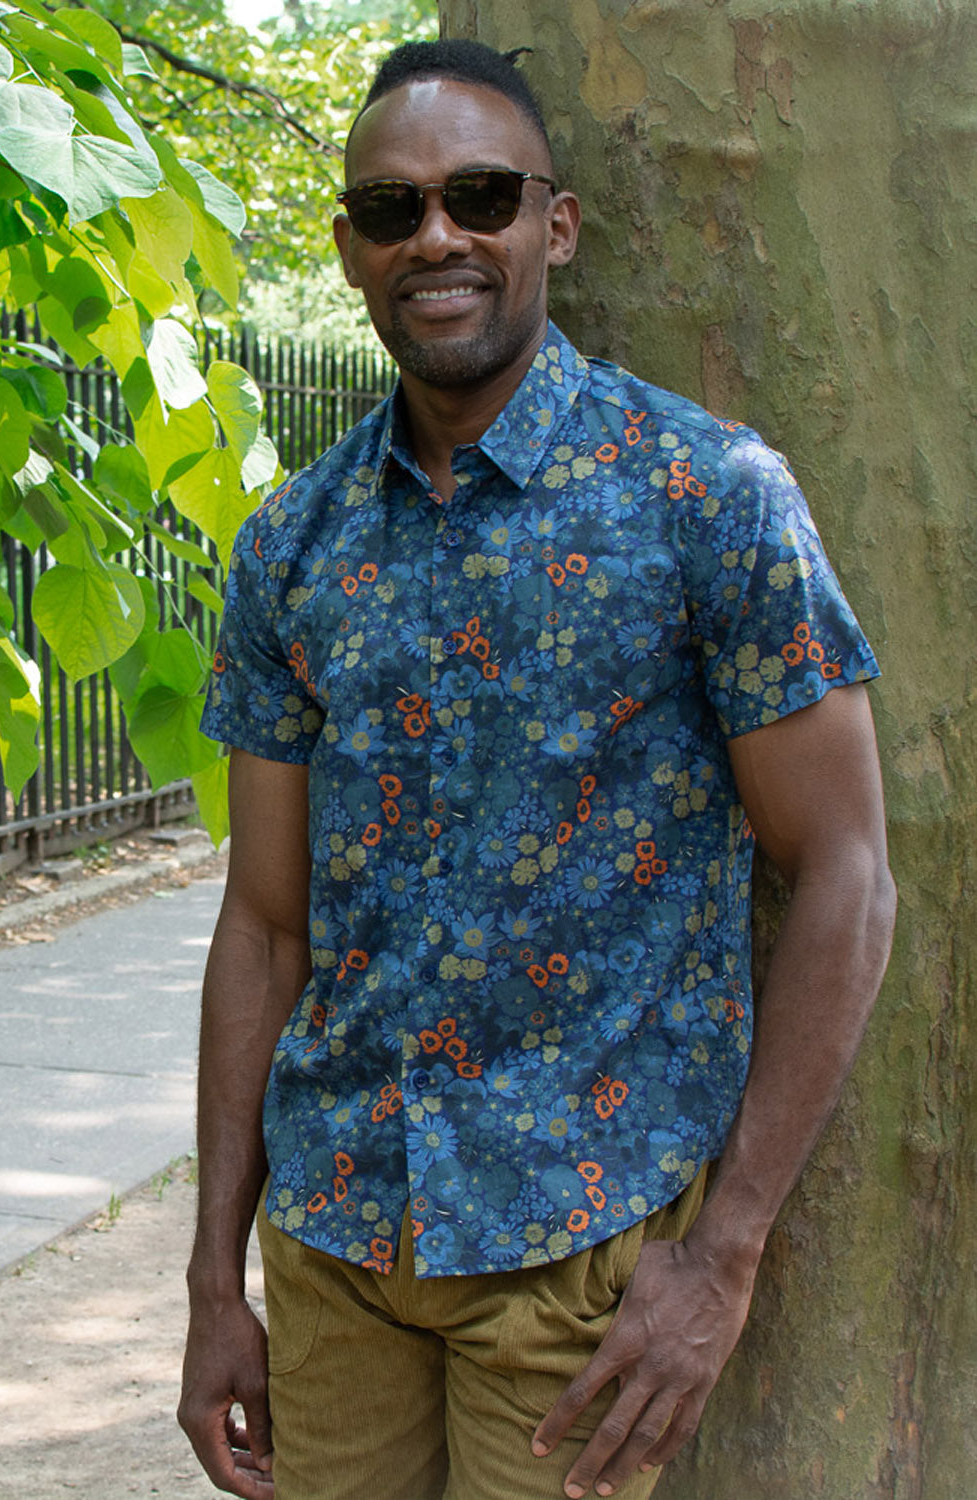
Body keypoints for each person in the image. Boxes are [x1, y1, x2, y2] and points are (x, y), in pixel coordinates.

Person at [178, 37, 895, 1500]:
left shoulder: (705, 496)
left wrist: (722, 1256)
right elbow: (261, 924)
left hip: (582, 1255)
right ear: (348, 253)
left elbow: (844, 875)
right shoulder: (292, 544)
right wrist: (209, 1280)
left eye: (479, 196)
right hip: (332, 1245)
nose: (435, 236)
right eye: (390, 210)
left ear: (550, 225)